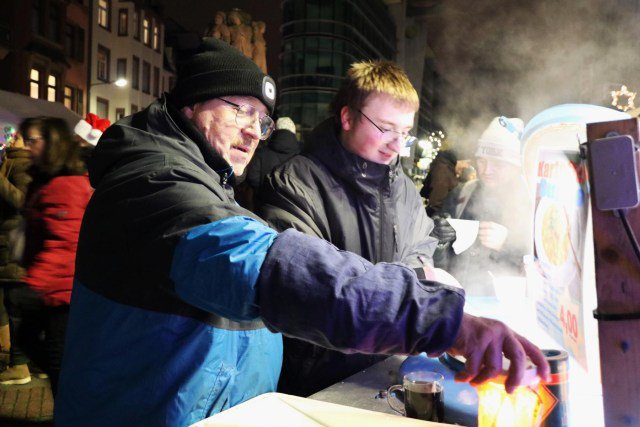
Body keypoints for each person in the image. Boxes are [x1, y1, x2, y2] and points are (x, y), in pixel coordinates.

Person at [55, 38, 548, 426]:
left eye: (263, 119)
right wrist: (440, 319)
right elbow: (275, 268)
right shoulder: (156, 184)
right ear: (190, 105)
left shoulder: (210, 180)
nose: (253, 131)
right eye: (239, 109)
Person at [258, 60, 451, 396]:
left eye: (405, 132)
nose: (397, 145)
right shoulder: (295, 183)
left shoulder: (403, 187)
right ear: (348, 117)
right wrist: (413, 287)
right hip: (320, 382)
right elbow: (309, 288)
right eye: (386, 128)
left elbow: (422, 243)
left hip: (389, 367)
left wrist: (420, 272)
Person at [0, 117, 92, 393]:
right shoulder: (47, 181)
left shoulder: (65, 185)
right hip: (52, 287)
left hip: (61, 292)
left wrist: (33, 285)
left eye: (33, 140)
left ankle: (74, 415)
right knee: (40, 347)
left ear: (52, 143)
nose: (28, 147)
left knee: (58, 360)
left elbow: (64, 244)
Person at [435, 116, 531, 296]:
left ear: (516, 166)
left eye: (498, 163)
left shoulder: (531, 202)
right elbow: (432, 252)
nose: (486, 170)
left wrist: (507, 245)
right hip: (456, 298)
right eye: (482, 160)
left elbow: (548, 265)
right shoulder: (462, 193)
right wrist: (438, 237)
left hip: (504, 309)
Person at [0, 126, 32, 375]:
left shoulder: (22, 165)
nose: (11, 139)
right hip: (6, 240)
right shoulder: (8, 161)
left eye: (16, 136)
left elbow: (21, 200)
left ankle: (18, 361)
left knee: (13, 301)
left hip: (11, 243)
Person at [243, 116, 300, 211]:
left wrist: (263, 190)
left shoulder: (261, 154)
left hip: (263, 206)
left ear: (275, 131)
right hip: (292, 208)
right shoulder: (300, 156)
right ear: (293, 132)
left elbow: (252, 177)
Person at [420, 149, 460, 217]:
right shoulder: (444, 169)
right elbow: (441, 188)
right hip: (438, 208)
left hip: (434, 206)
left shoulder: (438, 165)